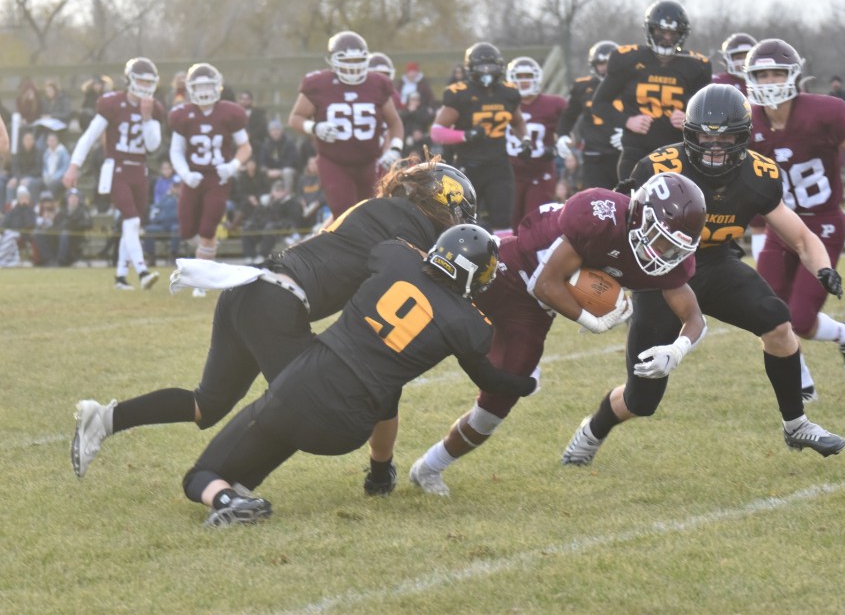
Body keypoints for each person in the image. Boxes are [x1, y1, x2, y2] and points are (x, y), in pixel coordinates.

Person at [71, 159, 478, 500]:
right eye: (459, 213)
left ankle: (107, 418)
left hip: (251, 287)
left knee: (208, 404)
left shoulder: (378, 210)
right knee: (310, 399)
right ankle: (236, 483)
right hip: (278, 300)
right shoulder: (411, 230)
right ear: (442, 203)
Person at [559, 84, 845, 469]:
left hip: (715, 264)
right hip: (661, 271)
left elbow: (800, 236)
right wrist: (599, 279)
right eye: (705, 138)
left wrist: (823, 268)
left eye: (724, 139)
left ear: (742, 138)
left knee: (779, 324)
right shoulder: (657, 167)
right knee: (641, 400)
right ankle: (593, 430)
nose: (714, 148)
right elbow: (617, 224)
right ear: (689, 135)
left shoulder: (759, 174)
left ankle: (796, 424)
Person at [180, 225, 537, 526]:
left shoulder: (396, 258)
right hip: (349, 428)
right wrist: (527, 382)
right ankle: (376, 474)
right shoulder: (470, 325)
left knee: (201, 475)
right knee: (376, 386)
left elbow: (382, 250)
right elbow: (491, 381)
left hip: (299, 391)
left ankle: (226, 501)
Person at [408, 172, 708, 496]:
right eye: (659, 237)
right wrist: (595, 322)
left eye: (673, 247)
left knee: (494, 408)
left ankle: (429, 468)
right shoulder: (599, 218)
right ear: (639, 215)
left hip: (534, 312)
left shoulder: (666, 262)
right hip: (503, 269)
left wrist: (677, 350)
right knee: (414, 331)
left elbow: (694, 318)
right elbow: (545, 283)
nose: (662, 251)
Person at [744, 39, 845, 402]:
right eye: (761, 74)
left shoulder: (820, 113)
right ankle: (802, 383)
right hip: (782, 224)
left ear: (793, 75)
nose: (769, 81)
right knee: (764, 310)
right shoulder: (748, 123)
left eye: (776, 73)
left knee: (799, 320)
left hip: (823, 224)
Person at [63, 57, 164, 291]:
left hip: (140, 169)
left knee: (132, 225)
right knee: (132, 220)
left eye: (148, 81)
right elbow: (89, 136)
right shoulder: (112, 103)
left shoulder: (154, 107)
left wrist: (147, 118)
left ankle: (120, 277)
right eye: (141, 80)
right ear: (130, 80)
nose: (145, 85)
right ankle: (142, 272)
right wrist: (74, 165)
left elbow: (153, 146)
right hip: (117, 168)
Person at [591, 0, 712, 181]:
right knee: (631, 197)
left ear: (682, 34)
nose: (667, 38)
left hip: (679, 153)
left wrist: (691, 121)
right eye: (661, 32)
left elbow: (709, 112)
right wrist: (627, 121)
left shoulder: (697, 65)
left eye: (673, 33)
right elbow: (599, 103)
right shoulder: (627, 59)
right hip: (636, 151)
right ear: (650, 30)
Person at [288, 31, 404, 219]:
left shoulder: (378, 83)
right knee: (345, 213)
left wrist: (395, 149)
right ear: (332, 61)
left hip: (369, 162)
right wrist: (315, 128)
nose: (353, 66)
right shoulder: (319, 84)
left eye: (358, 60)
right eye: (347, 61)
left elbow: (395, 121)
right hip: (334, 161)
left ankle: (334, 236)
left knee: (370, 214)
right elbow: (295, 118)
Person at [168, 62, 252, 297]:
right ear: (190, 88)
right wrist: (185, 174)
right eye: (199, 86)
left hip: (218, 177)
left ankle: (201, 281)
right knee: (187, 230)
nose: (204, 91)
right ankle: (209, 255)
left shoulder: (229, 113)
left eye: (208, 85)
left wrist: (232, 166)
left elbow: (245, 147)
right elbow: (176, 150)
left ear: (217, 87)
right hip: (193, 177)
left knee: (207, 229)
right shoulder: (182, 115)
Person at [431, 41, 529, 233]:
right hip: (468, 165)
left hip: (498, 165)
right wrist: (466, 135)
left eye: (491, 67)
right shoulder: (460, 93)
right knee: (461, 219)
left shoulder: (508, 93)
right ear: (471, 68)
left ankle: (503, 251)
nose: (487, 72)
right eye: (482, 67)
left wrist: (525, 140)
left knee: (502, 218)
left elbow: (518, 122)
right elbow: (437, 131)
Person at [712, 32, 765, 259]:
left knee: (762, 219)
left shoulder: (765, 78)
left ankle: (764, 267)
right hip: (726, 155)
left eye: (747, 55)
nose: (742, 60)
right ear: (726, 58)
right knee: (723, 213)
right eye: (738, 56)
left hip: (761, 151)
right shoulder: (717, 82)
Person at [504, 56, 567, 231]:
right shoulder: (502, 102)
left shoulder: (554, 104)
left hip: (540, 172)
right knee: (509, 222)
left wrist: (557, 146)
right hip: (509, 173)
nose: (524, 81)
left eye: (528, 76)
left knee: (535, 222)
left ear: (537, 78)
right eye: (519, 76)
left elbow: (570, 128)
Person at [556, 40, 621, 190]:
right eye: (601, 63)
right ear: (593, 65)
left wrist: (630, 135)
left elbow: (643, 113)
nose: (606, 68)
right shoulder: (583, 86)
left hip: (623, 153)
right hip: (594, 156)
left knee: (630, 198)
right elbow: (568, 115)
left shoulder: (631, 84)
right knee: (596, 199)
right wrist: (562, 134)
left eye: (609, 63)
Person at [240, 180, 303, 262]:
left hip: (280, 228)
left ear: (285, 191)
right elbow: (257, 216)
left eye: (281, 190)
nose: (279, 193)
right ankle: (249, 255)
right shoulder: (266, 202)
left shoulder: (291, 203)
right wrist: (261, 206)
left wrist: (278, 203)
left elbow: (292, 219)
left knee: (270, 228)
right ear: (272, 192)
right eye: (277, 190)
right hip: (263, 226)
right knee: (247, 227)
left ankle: (262, 255)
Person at [143, 176, 182, 265]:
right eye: (175, 186)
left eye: (179, 186)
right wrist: (157, 220)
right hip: (163, 226)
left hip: (176, 225)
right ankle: (151, 256)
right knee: (149, 229)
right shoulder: (165, 198)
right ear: (171, 186)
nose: (177, 189)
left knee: (176, 229)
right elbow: (156, 211)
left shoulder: (184, 198)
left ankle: (173, 255)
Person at [51, 187, 93, 266]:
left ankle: (61, 261)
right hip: (59, 235)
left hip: (77, 236)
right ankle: (49, 260)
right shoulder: (61, 211)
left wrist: (74, 225)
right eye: (71, 197)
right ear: (67, 199)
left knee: (65, 234)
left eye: (75, 197)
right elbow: (56, 224)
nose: (73, 199)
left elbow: (88, 224)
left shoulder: (83, 210)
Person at [259, 119, 299, 192]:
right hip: (271, 170)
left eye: (277, 129)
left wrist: (280, 170)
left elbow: (293, 160)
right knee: (260, 172)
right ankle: (265, 195)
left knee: (287, 172)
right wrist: (267, 171)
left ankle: (287, 195)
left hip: (286, 169)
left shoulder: (289, 143)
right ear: (269, 132)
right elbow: (262, 161)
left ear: (281, 130)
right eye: (272, 130)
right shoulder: (266, 145)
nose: (275, 132)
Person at [0, 186, 35, 267]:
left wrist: (25, 208)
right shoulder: (12, 212)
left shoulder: (30, 212)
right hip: (8, 232)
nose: (24, 199)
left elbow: (29, 225)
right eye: (22, 198)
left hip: (22, 234)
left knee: (11, 237)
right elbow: (4, 223)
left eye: (25, 198)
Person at [6, 130, 43, 204]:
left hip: (34, 177)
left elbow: (37, 169)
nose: (28, 141)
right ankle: (10, 207)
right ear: (23, 141)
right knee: (10, 184)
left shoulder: (38, 153)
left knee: (28, 183)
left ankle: (31, 206)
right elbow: (15, 167)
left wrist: (26, 177)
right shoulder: (18, 153)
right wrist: (18, 178)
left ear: (33, 141)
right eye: (26, 139)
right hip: (20, 177)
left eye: (30, 139)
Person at [236, 91, 268, 159]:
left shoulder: (258, 114)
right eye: (242, 99)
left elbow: (262, 128)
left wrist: (250, 135)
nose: (244, 101)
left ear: (251, 100)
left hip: (255, 143)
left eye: (247, 99)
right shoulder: (235, 113)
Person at [41, 132, 70, 199]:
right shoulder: (46, 153)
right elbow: (44, 167)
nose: (51, 142)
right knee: (38, 184)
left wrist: (55, 177)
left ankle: (51, 202)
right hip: (48, 177)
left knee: (53, 185)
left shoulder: (63, 152)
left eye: (53, 140)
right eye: (49, 140)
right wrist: (45, 175)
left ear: (57, 141)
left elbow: (65, 167)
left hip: (60, 178)